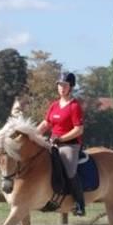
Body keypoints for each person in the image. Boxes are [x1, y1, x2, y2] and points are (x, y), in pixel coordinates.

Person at [37, 71, 86, 216]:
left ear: (71, 87)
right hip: (53, 142)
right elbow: (46, 124)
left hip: (70, 145)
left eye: (65, 85)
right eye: (59, 85)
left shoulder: (74, 106)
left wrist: (62, 139)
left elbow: (79, 129)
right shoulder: (54, 105)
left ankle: (79, 204)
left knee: (70, 172)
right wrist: (32, 135)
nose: (61, 88)